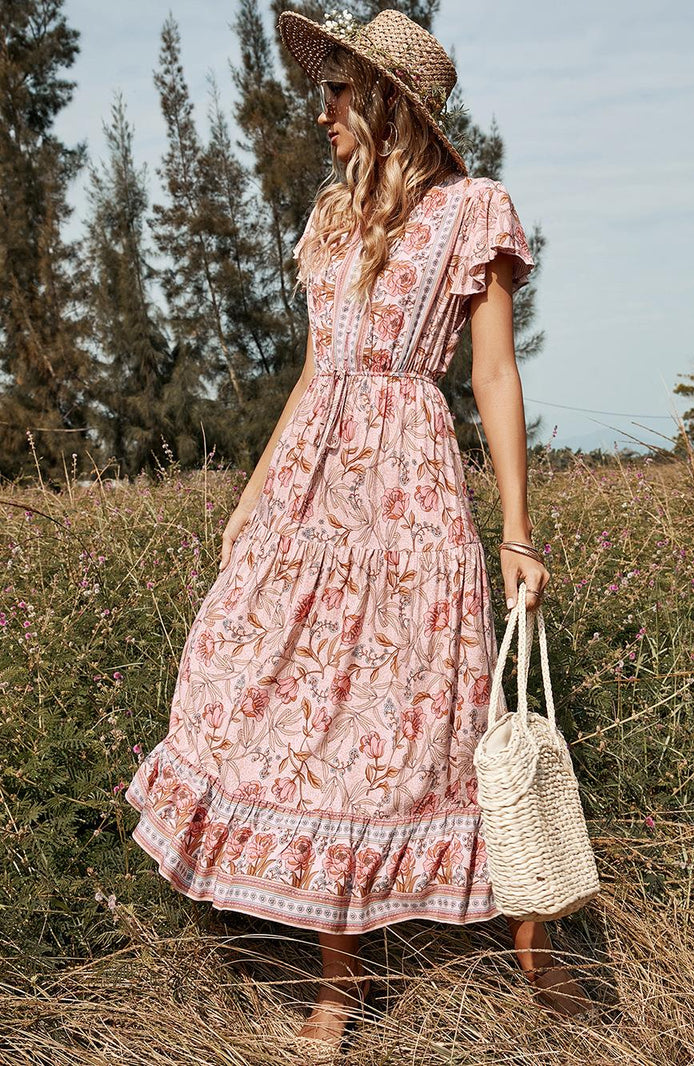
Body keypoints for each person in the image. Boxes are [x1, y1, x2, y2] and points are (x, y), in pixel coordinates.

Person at [125, 7, 593, 1060]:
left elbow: (489, 375)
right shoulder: (329, 217)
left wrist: (517, 533)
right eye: (325, 86)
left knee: (428, 719)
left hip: (409, 488)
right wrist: (251, 496)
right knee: (266, 691)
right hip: (307, 489)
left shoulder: (474, 210)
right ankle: (341, 978)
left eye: (337, 90)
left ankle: (531, 945)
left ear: (388, 102)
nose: (320, 109)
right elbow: (310, 372)